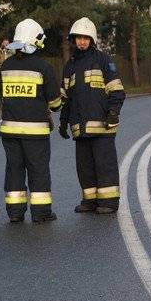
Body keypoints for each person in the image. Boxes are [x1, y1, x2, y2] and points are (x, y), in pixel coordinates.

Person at [59, 17, 124, 214]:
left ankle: (109, 202)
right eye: (78, 38)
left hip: (103, 126)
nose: (82, 42)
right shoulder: (69, 66)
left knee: (105, 165)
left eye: (86, 38)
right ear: (74, 40)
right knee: (85, 167)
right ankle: (90, 201)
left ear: (92, 40)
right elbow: (66, 98)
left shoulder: (103, 60)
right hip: (80, 127)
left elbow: (117, 90)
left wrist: (113, 112)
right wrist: (63, 121)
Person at [0, 18, 61, 223]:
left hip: (9, 130)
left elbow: (1, 94)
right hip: (35, 133)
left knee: (14, 169)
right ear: (35, 40)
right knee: (38, 170)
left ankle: (15, 213)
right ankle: (41, 213)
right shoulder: (43, 67)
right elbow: (54, 103)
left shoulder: (5, 66)